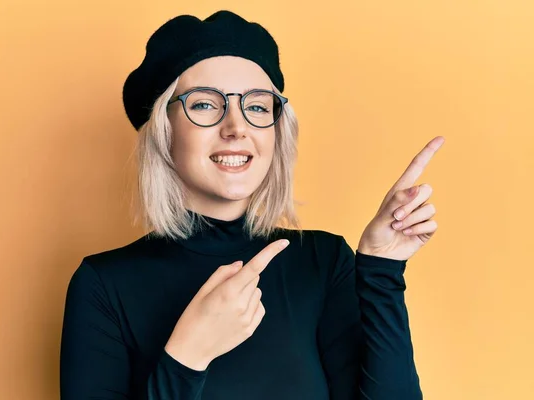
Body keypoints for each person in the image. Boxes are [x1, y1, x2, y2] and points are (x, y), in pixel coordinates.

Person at [60, 9, 444, 400]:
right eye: (206, 104)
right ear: (164, 129)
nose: (237, 127)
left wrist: (382, 269)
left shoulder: (323, 262)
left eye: (258, 106)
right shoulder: (103, 285)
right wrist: (188, 354)